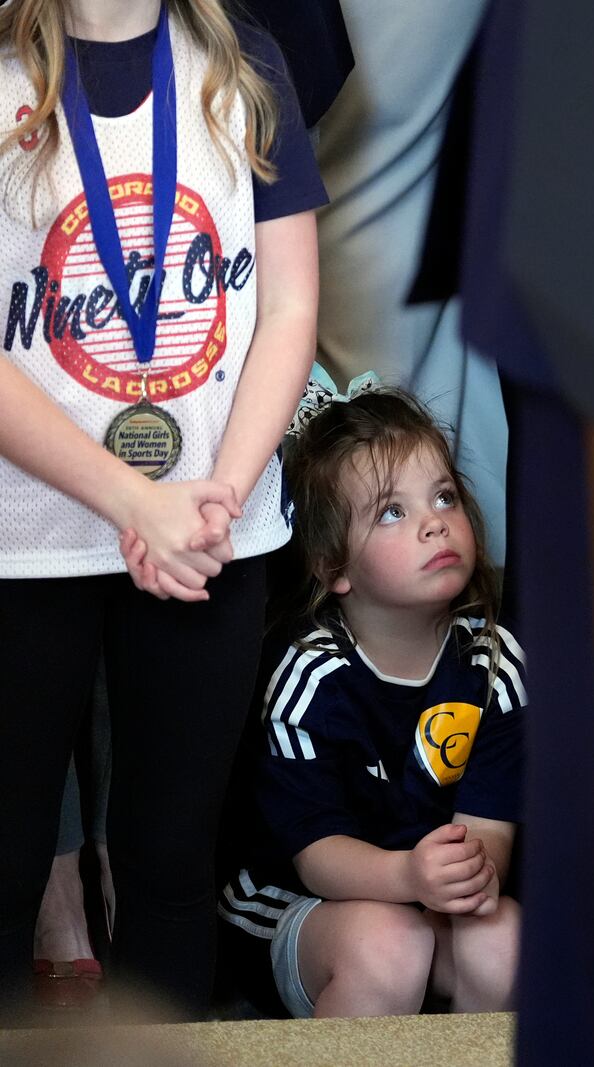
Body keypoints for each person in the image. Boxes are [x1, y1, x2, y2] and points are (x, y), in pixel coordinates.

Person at [0, 0, 322, 1020]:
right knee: (5, 861)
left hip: (212, 529)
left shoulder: (248, 67)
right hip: (24, 542)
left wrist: (216, 494)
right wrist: (137, 499)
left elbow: (291, 307)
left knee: (174, 859)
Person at [218, 385, 523, 1018]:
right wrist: (408, 878)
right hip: (304, 901)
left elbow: (490, 829)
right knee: (392, 944)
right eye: (391, 512)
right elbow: (315, 853)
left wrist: (470, 873)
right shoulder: (312, 677)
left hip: (425, 895)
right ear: (334, 567)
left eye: (443, 496)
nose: (434, 521)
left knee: (504, 938)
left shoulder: (495, 663)